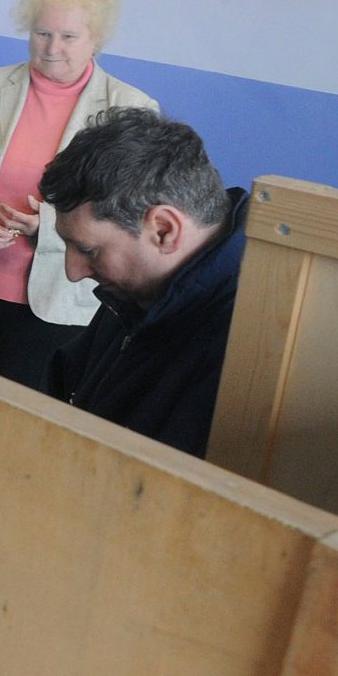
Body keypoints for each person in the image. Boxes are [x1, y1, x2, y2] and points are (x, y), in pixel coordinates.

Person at [0, 0, 158, 388]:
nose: (51, 47)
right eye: (41, 33)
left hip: (62, 304)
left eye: (69, 37)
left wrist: (47, 227)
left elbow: (128, 216)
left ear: (96, 40)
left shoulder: (129, 110)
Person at [41, 107, 248, 457]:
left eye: (88, 250)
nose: (73, 272)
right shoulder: (141, 289)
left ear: (165, 229)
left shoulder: (250, 344)